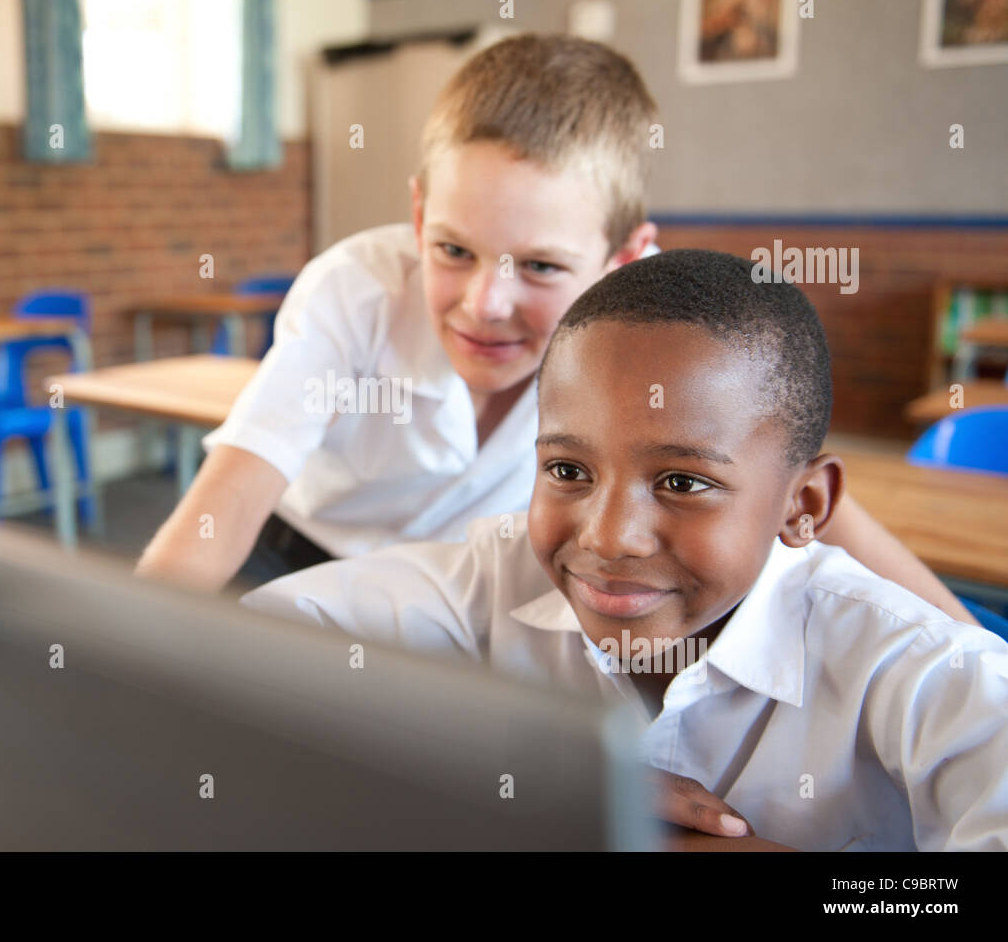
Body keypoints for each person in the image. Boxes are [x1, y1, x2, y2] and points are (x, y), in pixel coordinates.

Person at [137, 32, 979, 631]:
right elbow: (223, 508)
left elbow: (821, 511)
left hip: (463, 602)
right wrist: (122, 653)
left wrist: (980, 665)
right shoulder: (353, 292)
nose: (484, 303)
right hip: (298, 556)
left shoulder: (643, 338)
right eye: (453, 249)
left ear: (624, 256)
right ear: (419, 212)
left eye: (539, 266)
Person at [242, 250, 1008, 850]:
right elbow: (247, 656)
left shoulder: (920, 673)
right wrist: (528, 777)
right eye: (568, 470)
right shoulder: (494, 577)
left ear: (803, 506)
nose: (608, 537)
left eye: (681, 480)